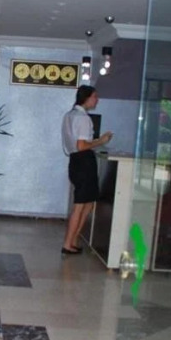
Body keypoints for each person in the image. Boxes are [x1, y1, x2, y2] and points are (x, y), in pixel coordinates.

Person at [61, 85, 113, 254]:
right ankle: (68, 243)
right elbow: (82, 145)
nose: (97, 100)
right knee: (80, 204)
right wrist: (101, 140)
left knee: (88, 202)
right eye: (95, 97)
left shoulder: (69, 115)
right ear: (87, 98)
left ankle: (74, 238)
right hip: (84, 162)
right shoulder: (83, 118)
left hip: (75, 162)